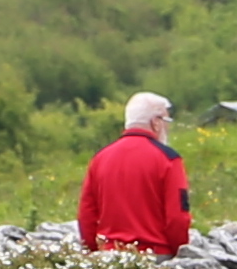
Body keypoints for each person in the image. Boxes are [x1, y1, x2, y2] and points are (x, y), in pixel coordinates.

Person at [75, 91, 190, 254]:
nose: (168, 126)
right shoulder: (168, 159)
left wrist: (95, 252)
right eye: (166, 120)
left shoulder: (100, 159)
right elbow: (177, 217)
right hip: (155, 254)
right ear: (155, 122)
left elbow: (87, 214)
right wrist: (178, 252)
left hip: (109, 255)